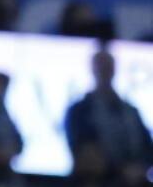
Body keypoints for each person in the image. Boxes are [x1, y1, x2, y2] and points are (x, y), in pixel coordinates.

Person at [65, 48, 153, 178]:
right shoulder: (79, 111)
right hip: (98, 182)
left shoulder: (130, 111)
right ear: (93, 70)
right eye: (101, 67)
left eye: (108, 67)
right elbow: (82, 150)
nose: (104, 72)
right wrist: (119, 170)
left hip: (136, 182)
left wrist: (139, 168)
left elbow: (147, 147)